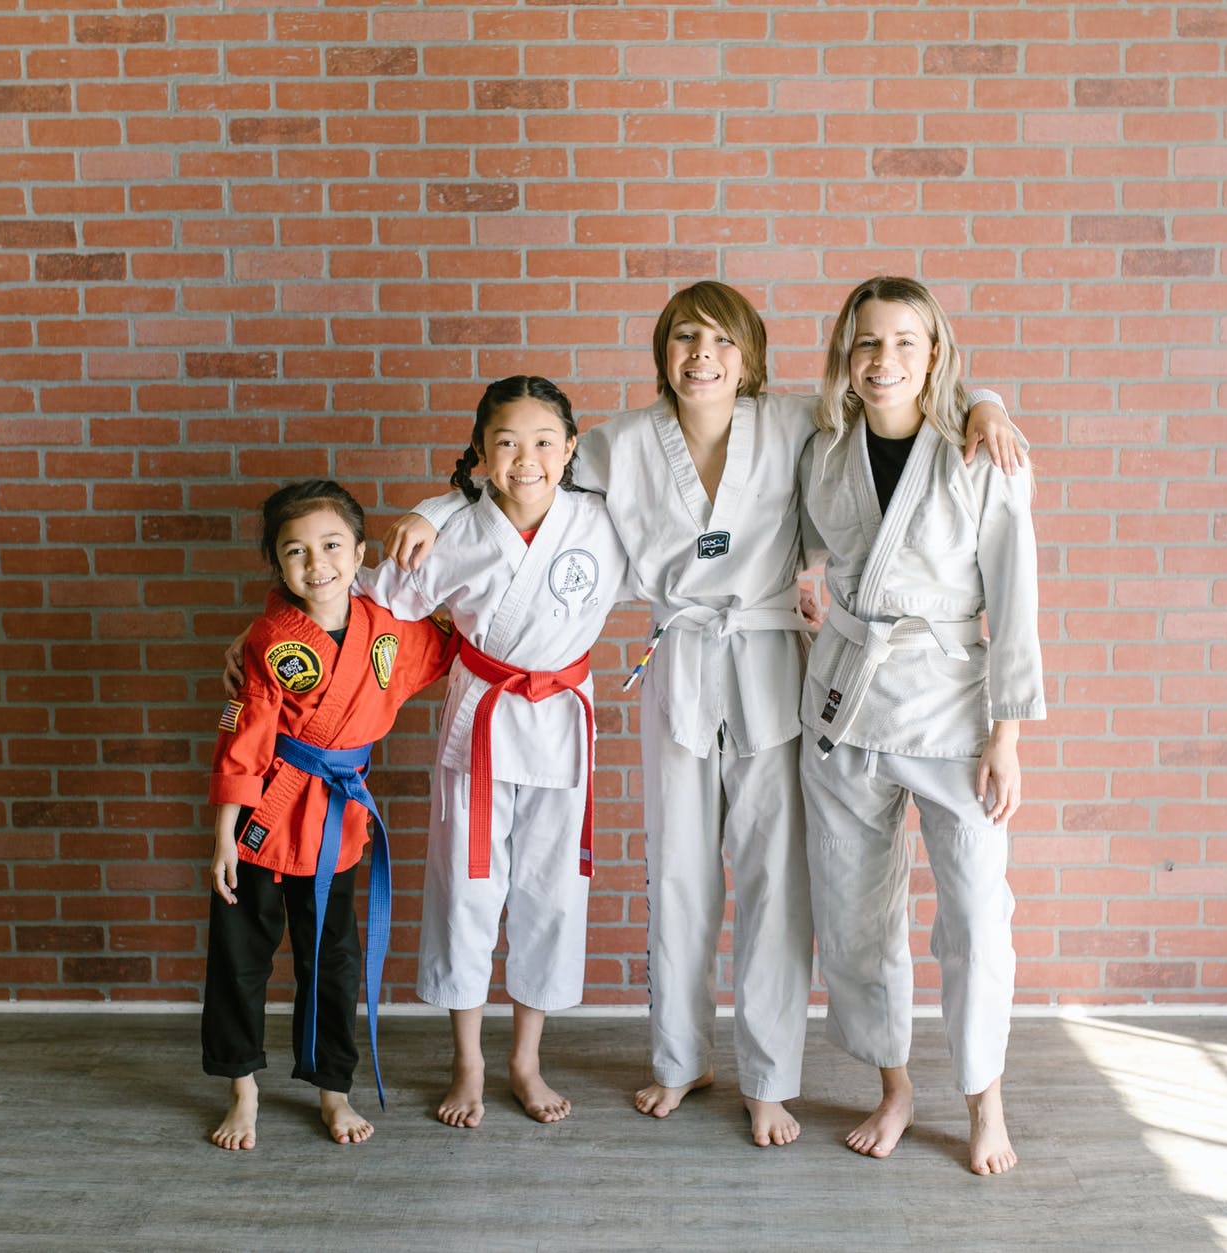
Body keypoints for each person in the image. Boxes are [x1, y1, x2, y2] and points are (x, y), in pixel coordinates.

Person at [386, 282, 1023, 1148]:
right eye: (685, 337)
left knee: (776, 881)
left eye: (722, 340)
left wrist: (984, 403)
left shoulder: (796, 421)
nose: (702, 355)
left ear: (749, 355)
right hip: (681, 661)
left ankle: (769, 1078)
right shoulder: (618, 443)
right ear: (663, 351)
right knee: (679, 872)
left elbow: (899, 400)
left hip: (773, 665)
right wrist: (428, 510)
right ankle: (681, 1059)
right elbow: (517, 474)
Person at [798, 276, 1044, 1176]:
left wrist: (1008, 733)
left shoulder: (984, 452)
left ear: (935, 352)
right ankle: (893, 1085)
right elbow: (784, 531)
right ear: (846, 356)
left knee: (978, 915)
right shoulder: (822, 449)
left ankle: (985, 1098)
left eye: (906, 342)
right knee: (857, 914)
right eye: (868, 343)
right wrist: (803, 573)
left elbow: (1014, 602)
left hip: (952, 708)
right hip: (845, 704)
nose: (885, 360)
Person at [360, 376, 637, 1129]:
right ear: (480, 453)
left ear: (572, 448)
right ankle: (468, 1060)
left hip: (563, 729)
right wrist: (271, 631)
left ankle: (525, 1058)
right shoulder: (450, 531)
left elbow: (681, 548)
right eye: (506, 442)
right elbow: (369, 596)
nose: (527, 459)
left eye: (545, 442)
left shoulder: (604, 522)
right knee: (467, 892)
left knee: (552, 893)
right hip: (480, 725)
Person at [203, 480, 457, 1151]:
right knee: (239, 960)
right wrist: (224, 835)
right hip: (264, 819)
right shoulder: (269, 638)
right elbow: (242, 734)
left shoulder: (388, 630)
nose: (317, 562)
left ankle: (332, 1089)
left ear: (362, 552)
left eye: (332, 545)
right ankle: (243, 1089)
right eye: (295, 551)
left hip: (335, 827)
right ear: (277, 567)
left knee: (332, 962)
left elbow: (458, 630)